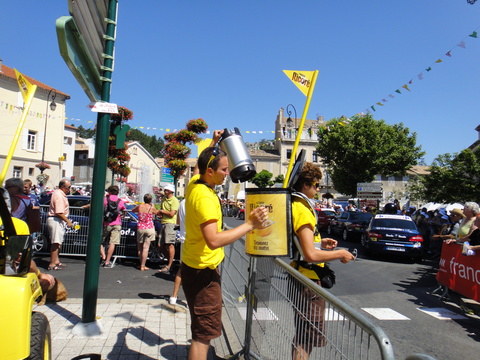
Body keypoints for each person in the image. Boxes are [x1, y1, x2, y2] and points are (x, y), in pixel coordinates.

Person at [181, 130, 267, 360]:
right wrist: (250, 224)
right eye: (224, 170)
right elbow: (214, 240)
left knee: (203, 330)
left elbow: (199, 165)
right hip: (202, 273)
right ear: (211, 171)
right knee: (202, 336)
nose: (228, 174)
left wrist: (214, 142)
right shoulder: (206, 198)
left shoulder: (195, 183)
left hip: (196, 266)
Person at [290, 162, 355, 360]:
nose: (318, 189)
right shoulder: (302, 210)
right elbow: (310, 255)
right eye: (316, 185)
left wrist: (320, 242)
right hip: (308, 279)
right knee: (306, 339)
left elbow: (303, 245)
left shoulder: (295, 204)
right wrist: (340, 253)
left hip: (302, 276)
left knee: (304, 336)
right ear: (305, 185)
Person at [84, 185, 126, 268]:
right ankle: (107, 261)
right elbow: (124, 210)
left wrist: (84, 207)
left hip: (106, 223)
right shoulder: (120, 201)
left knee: (100, 241)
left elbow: (95, 205)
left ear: (109, 191)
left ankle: (103, 256)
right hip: (117, 223)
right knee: (112, 243)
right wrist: (122, 215)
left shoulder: (105, 200)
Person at [47, 179, 73, 271]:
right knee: (56, 242)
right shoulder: (58, 195)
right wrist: (68, 221)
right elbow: (59, 212)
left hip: (58, 220)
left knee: (58, 242)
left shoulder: (61, 194)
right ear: (63, 187)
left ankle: (57, 261)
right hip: (55, 219)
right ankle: (52, 263)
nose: (70, 189)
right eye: (68, 187)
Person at [131, 193, 160, 271]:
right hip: (149, 227)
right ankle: (143, 265)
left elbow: (133, 210)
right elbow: (158, 213)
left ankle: (141, 264)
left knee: (140, 247)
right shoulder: (151, 207)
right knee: (146, 248)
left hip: (141, 227)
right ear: (150, 200)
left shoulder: (140, 206)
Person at [157, 183, 179, 274]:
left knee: (170, 244)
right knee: (160, 245)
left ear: (170, 191)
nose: (165, 191)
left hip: (170, 224)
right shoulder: (164, 199)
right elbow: (163, 211)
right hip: (164, 223)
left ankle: (169, 265)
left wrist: (162, 211)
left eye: (166, 190)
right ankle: (170, 261)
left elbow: (171, 214)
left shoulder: (174, 201)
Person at [169, 198, 186, 305]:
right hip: (196, 240)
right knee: (197, 271)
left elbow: (178, 221)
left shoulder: (183, 202)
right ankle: (192, 299)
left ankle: (173, 296)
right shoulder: (199, 199)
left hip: (184, 239)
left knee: (182, 268)